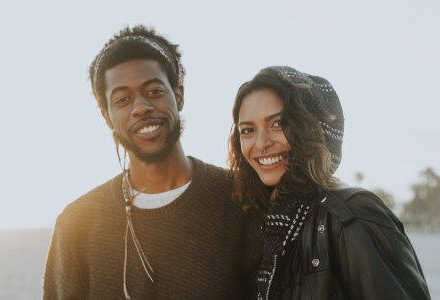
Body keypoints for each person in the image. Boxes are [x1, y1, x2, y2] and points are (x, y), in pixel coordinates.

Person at [43, 25, 250, 299]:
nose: (140, 107)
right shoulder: (77, 223)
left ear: (179, 94)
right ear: (107, 116)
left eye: (153, 91)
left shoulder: (242, 197)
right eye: (123, 99)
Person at [228, 66, 431, 299]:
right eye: (248, 130)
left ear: (313, 129)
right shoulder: (262, 222)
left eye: (278, 123)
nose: (261, 143)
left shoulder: (353, 215)